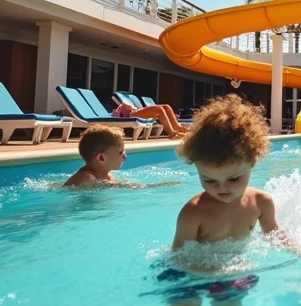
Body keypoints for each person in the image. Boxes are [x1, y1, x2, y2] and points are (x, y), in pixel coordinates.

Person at [171, 94, 282, 249]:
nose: (222, 188)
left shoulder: (261, 203)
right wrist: (217, 273)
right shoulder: (193, 213)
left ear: (252, 162)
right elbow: (179, 258)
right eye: (209, 180)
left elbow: (275, 237)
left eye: (233, 179)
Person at [64, 126, 130, 187]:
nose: (124, 156)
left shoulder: (107, 175)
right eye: (121, 152)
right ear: (102, 158)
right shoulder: (87, 178)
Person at [113, 99, 188, 138]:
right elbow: (118, 117)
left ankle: (177, 127)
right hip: (132, 115)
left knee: (166, 107)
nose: (128, 105)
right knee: (160, 110)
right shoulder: (118, 111)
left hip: (135, 112)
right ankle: (172, 133)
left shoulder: (123, 107)